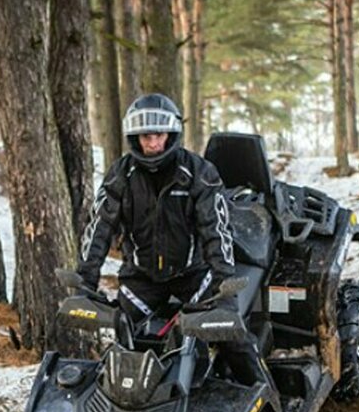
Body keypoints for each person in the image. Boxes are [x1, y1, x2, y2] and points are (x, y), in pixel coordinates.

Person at [77, 93, 265, 385]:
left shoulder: (199, 172)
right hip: (141, 277)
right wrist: (85, 281)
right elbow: (99, 227)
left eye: (159, 135)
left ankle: (266, 400)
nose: (153, 144)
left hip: (193, 274)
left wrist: (224, 289)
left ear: (171, 134)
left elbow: (216, 231)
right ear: (135, 137)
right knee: (127, 336)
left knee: (231, 335)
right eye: (145, 136)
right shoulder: (120, 175)